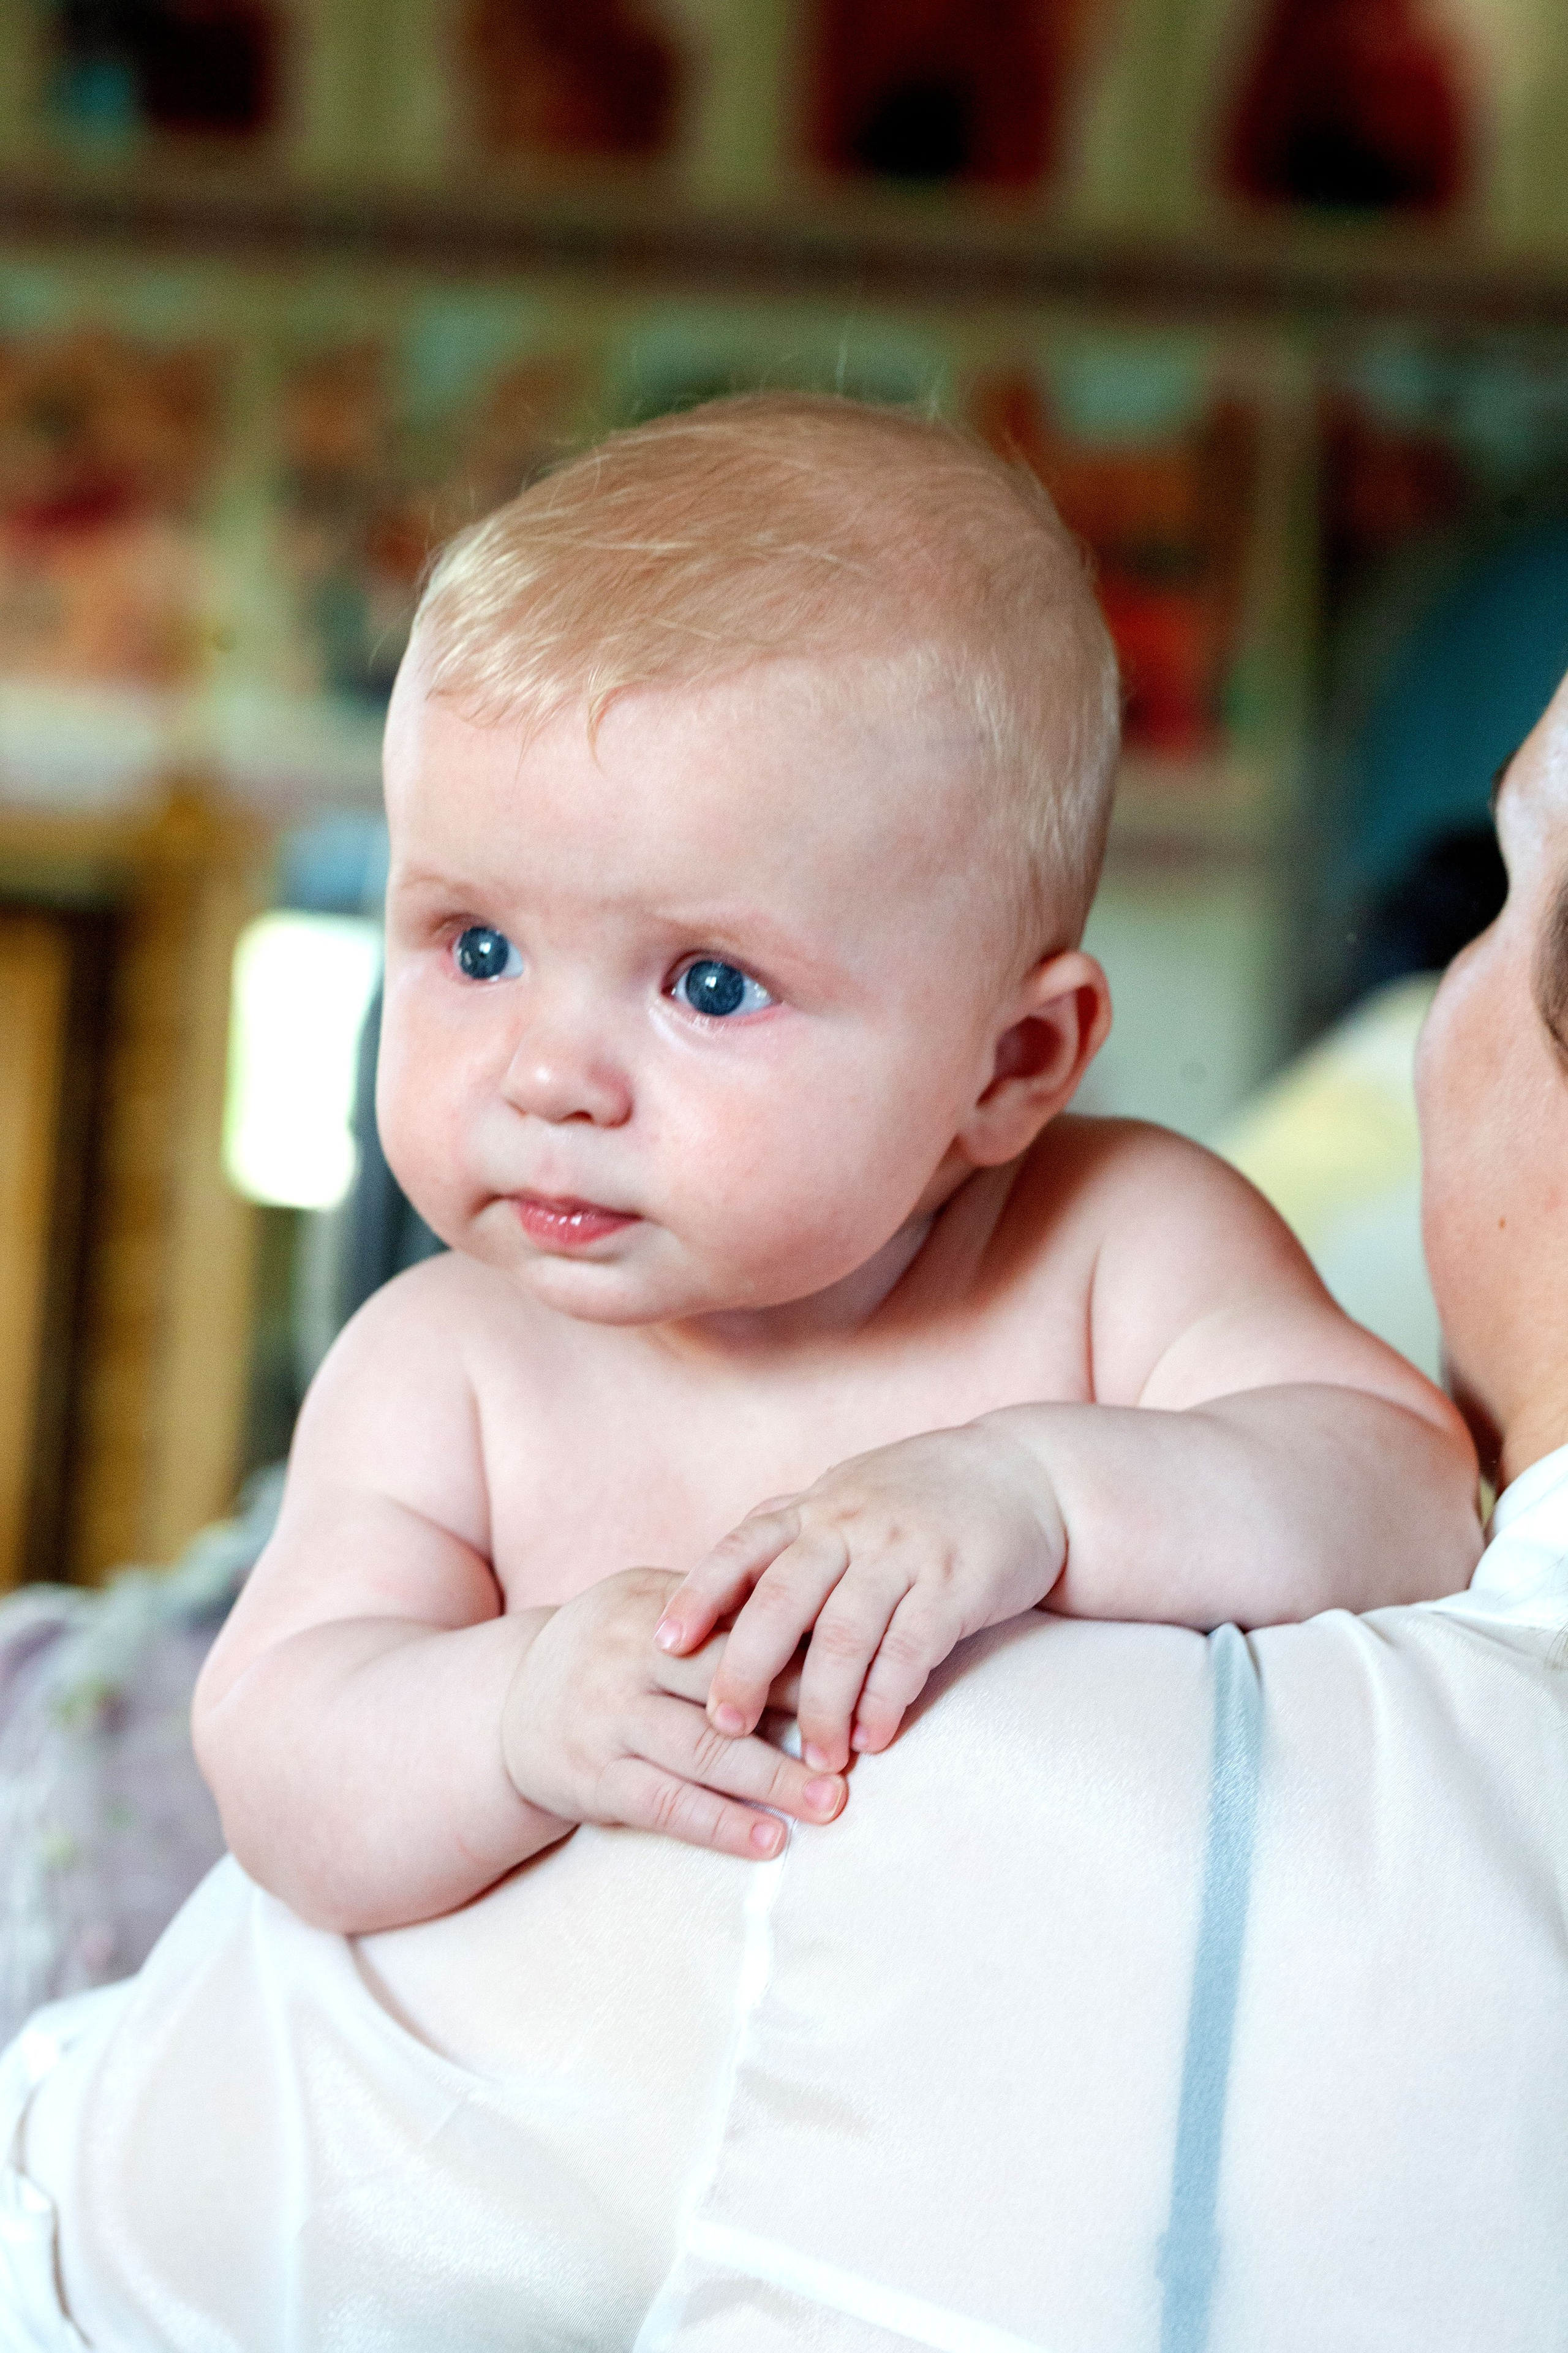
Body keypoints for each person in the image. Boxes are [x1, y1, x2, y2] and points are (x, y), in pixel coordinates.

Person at [0, 395, 1504, 2351]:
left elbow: (1402, 1495)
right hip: (432, 2217)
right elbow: (284, 1761)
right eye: (470, 944)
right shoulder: (451, 1361)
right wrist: (518, 1708)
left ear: (1011, 1067)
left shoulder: (1113, 1239)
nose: (548, 1069)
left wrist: (1039, 1491)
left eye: (707, 984)